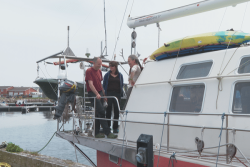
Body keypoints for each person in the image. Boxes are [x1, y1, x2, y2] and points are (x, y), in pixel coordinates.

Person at [85, 57, 117, 139]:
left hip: (99, 93)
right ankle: (108, 132)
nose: (100, 66)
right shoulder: (89, 71)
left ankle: (97, 132)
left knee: (98, 113)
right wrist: (97, 94)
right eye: (99, 64)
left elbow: (100, 84)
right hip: (92, 93)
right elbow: (90, 84)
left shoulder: (99, 71)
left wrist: (104, 95)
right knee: (101, 111)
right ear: (94, 63)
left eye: (101, 64)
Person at [103, 61, 124, 133]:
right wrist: (104, 95)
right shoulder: (107, 75)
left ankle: (115, 127)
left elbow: (122, 84)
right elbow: (104, 85)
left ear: (115, 67)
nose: (110, 67)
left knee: (116, 111)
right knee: (108, 111)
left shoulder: (120, 75)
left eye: (112, 66)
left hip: (117, 94)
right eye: (110, 66)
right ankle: (108, 127)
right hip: (109, 93)